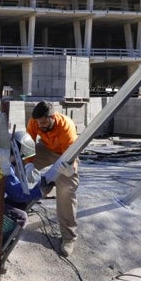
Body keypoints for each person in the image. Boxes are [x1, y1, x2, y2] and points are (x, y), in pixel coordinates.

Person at [27, 100, 80, 258]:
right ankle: (17, 202)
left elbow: (72, 154)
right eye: (38, 122)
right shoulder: (34, 122)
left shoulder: (66, 127)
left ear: (52, 117)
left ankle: (69, 237)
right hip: (46, 149)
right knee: (17, 164)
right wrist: (28, 164)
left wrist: (71, 170)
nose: (40, 125)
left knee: (66, 190)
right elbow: (28, 145)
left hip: (65, 156)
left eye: (43, 122)